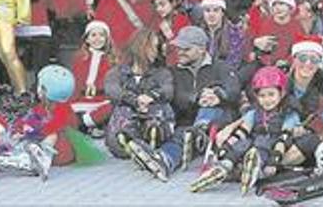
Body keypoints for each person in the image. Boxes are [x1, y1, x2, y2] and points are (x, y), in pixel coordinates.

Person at [125, 26, 240, 181]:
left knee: (209, 106)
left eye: (186, 49)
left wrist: (218, 95)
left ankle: (197, 134)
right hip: (187, 122)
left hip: (217, 122)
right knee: (181, 135)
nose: (180, 52)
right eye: (179, 48)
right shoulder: (173, 71)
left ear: (201, 49)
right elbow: (175, 96)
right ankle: (164, 160)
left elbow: (234, 88)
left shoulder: (220, 67)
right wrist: (196, 97)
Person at [191, 66, 302, 193]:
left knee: (262, 144)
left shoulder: (288, 114)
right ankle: (224, 166)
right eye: (262, 96)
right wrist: (226, 148)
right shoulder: (254, 113)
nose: (267, 100)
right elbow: (242, 132)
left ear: (281, 94)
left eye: (271, 94)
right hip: (251, 142)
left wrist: (274, 160)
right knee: (243, 143)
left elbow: (284, 138)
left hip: (272, 146)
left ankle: (255, 168)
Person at [104, 29, 174, 159]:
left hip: (152, 113)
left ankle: (153, 133)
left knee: (160, 108)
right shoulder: (117, 72)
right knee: (123, 110)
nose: (156, 51)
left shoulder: (162, 72)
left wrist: (151, 96)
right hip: (130, 116)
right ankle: (127, 140)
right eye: (152, 47)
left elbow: (168, 90)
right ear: (140, 47)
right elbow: (111, 89)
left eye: (157, 47)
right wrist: (135, 100)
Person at [69, 21, 114, 138]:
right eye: (93, 35)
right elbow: (76, 81)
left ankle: (84, 124)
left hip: (101, 99)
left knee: (112, 107)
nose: (97, 39)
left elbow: (112, 82)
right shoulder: (79, 57)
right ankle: (92, 125)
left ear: (107, 39)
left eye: (101, 35)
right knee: (64, 110)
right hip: (82, 98)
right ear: (87, 39)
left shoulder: (111, 59)